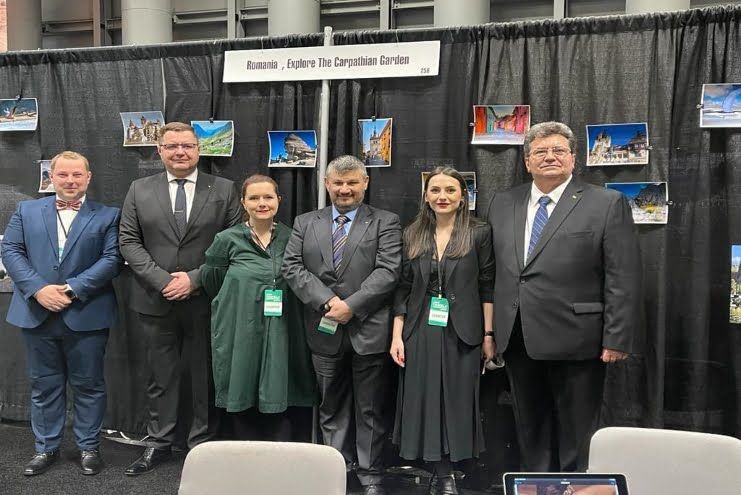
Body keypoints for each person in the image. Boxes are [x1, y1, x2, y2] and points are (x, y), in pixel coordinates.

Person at [485, 121, 642, 472]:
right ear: (527, 162)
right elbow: (494, 271)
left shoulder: (606, 203)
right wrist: (491, 332)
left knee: (577, 436)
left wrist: (616, 337)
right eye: (540, 151)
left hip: (579, 340)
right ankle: (536, 488)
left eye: (558, 150)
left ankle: (575, 490)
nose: (549, 157)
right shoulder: (503, 202)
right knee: (531, 433)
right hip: (519, 338)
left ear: (573, 158)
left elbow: (623, 276)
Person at [119, 121, 242, 475]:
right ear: (159, 151)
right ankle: (159, 442)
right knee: (160, 377)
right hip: (155, 299)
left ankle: (202, 445)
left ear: (199, 150)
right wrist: (163, 281)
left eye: (187, 145)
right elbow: (128, 241)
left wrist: (194, 279)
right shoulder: (139, 189)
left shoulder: (224, 189)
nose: (180, 152)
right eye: (172, 146)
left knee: (205, 377)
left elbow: (235, 241)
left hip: (206, 298)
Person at [282, 155, 402, 495]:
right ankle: (335, 470)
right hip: (323, 329)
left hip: (369, 329)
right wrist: (328, 302)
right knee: (330, 405)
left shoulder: (386, 221)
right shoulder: (305, 222)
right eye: (338, 182)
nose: (344, 189)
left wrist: (352, 306)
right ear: (326, 184)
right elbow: (292, 267)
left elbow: (389, 270)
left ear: (365, 183)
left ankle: (369, 474)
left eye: (352, 182)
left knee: (370, 408)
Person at [2, 151, 121, 476]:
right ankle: (45, 448)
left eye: (77, 175)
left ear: (88, 178)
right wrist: (38, 289)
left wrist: (72, 288)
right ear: (50, 177)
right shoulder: (25, 210)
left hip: (87, 312)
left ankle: (89, 447)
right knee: (43, 385)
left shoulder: (109, 215)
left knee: (89, 384)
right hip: (36, 311)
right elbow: (10, 250)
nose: (70, 181)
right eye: (63, 175)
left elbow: (112, 259)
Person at [390, 167, 494, 495]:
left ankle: (452, 469)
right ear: (426, 196)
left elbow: (487, 285)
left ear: (463, 196)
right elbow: (403, 287)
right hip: (420, 327)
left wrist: (488, 335)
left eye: (450, 190)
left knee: (458, 401)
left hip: (464, 330)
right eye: (435, 190)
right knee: (425, 400)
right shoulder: (412, 233)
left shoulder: (479, 233)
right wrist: (396, 336)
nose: (442, 196)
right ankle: (440, 472)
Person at [200, 174, 315, 440]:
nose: (261, 203)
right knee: (242, 379)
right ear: (243, 202)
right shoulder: (226, 239)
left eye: (268, 197)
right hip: (240, 326)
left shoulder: (293, 238)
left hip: (283, 328)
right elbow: (213, 281)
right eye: (254, 198)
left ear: (279, 200)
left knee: (280, 380)